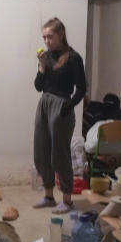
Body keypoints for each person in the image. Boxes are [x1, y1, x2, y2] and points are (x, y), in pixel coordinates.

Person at [33, 17, 87, 214]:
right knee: (41, 151)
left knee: (60, 154)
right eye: (44, 37)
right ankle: (48, 196)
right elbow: (38, 86)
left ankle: (67, 199)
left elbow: (81, 89)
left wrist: (66, 108)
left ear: (61, 34)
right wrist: (41, 65)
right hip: (44, 105)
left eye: (50, 36)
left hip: (61, 105)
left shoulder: (73, 58)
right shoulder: (46, 57)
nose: (47, 41)